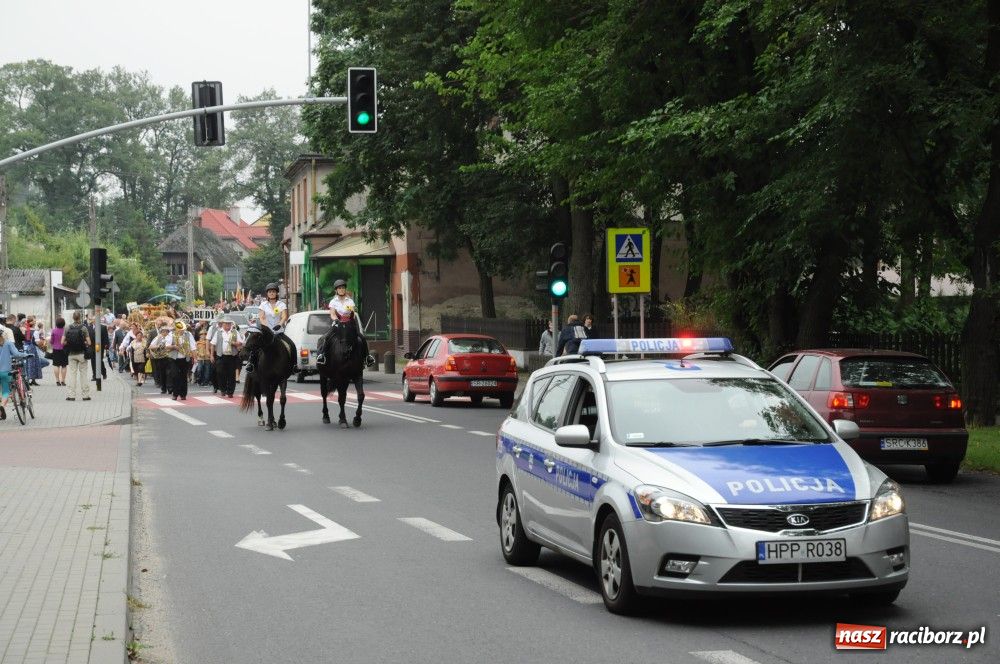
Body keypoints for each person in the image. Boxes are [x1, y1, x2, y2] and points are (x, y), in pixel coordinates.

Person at [316, 279, 375, 367]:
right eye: (339, 288)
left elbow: (352, 313)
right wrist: (336, 320)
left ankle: (367, 357)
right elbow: (332, 314)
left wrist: (349, 319)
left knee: (361, 338)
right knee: (327, 337)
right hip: (338, 323)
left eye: (343, 288)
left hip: (349, 324)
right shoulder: (333, 302)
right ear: (336, 290)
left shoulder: (350, 301)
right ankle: (322, 355)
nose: (341, 289)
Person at [245, 283, 287, 373]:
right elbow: (262, 317)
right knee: (256, 346)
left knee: (290, 345)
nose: (272, 293)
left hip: (279, 332)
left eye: (273, 291)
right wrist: (267, 328)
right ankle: (250, 363)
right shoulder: (263, 304)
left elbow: (284, 316)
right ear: (267, 293)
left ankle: (293, 365)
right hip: (266, 332)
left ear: (276, 293)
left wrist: (279, 324)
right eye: (270, 292)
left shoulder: (281, 304)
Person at [209, 316, 243, 398]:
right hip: (221, 356)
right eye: (226, 323)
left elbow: (241, 343)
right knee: (220, 373)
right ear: (223, 324)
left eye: (229, 323)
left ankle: (230, 392)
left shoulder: (235, 332)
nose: (228, 325)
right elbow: (212, 344)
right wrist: (211, 355)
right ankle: (223, 389)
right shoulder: (218, 332)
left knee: (231, 374)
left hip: (232, 356)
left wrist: (235, 343)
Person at [63, 311, 92, 401]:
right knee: (83, 374)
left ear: (73, 318)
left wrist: (69, 342)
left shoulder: (67, 328)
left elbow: (62, 342)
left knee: (72, 375)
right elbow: (89, 342)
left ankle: (71, 395)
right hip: (82, 354)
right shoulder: (84, 328)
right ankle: (85, 395)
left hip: (71, 354)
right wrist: (83, 342)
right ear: (80, 317)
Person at [0, 333, 29, 420]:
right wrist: (25, 354)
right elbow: (16, 354)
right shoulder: (8, 343)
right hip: (5, 372)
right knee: (5, 391)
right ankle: (2, 406)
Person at [50, 317, 68, 386]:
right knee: (64, 365)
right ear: (64, 323)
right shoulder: (65, 331)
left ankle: (57, 381)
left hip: (55, 349)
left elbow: (51, 341)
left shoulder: (54, 331)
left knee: (56, 365)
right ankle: (63, 381)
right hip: (64, 349)